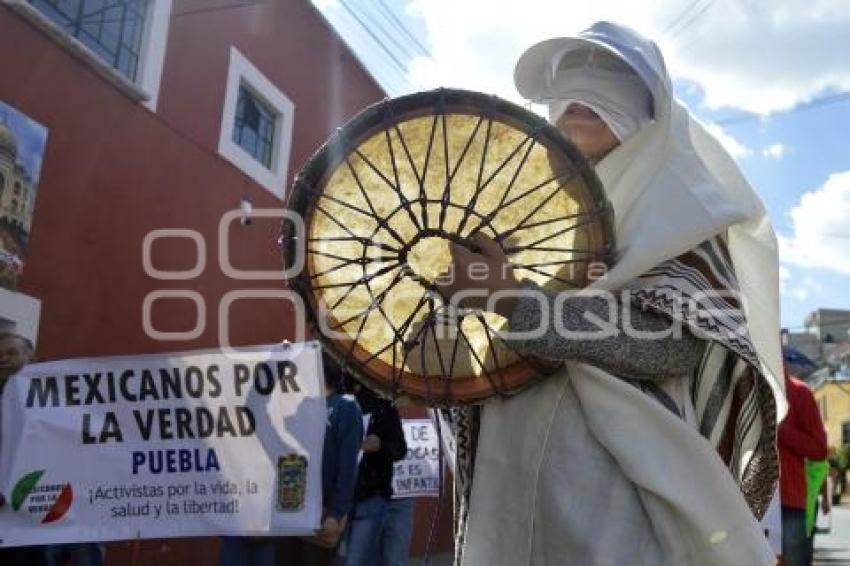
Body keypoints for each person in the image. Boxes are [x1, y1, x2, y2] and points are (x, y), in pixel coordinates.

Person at [434, 22, 784, 565]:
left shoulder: (681, 213)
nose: (580, 94)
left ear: (650, 109)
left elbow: (670, 344)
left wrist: (514, 302)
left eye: (609, 75)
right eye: (567, 80)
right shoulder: (509, 210)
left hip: (615, 491)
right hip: (505, 481)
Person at [273, 351, 364, 566]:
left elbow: (348, 466)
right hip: (289, 509)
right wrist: (277, 360)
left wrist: (337, 513)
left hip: (322, 515)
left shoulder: (345, 408)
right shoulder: (296, 408)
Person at [339, 383, 407, 566]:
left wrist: (380, 446)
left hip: (370, 497)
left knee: (357, 561)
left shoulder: (383, 407)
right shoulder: (334, 402)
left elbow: (400, 449)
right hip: (337, 500)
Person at [0, 331, 49, 566]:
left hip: (34, 516)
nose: (3, 359)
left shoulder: (53, 400)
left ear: (32, 358)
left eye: (11, 353)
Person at [779, 371, 827, 565]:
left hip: (788, 502)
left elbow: (818, 449)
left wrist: (780, 429)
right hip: (746, 503)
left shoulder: (799, 392)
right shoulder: (740, 384)